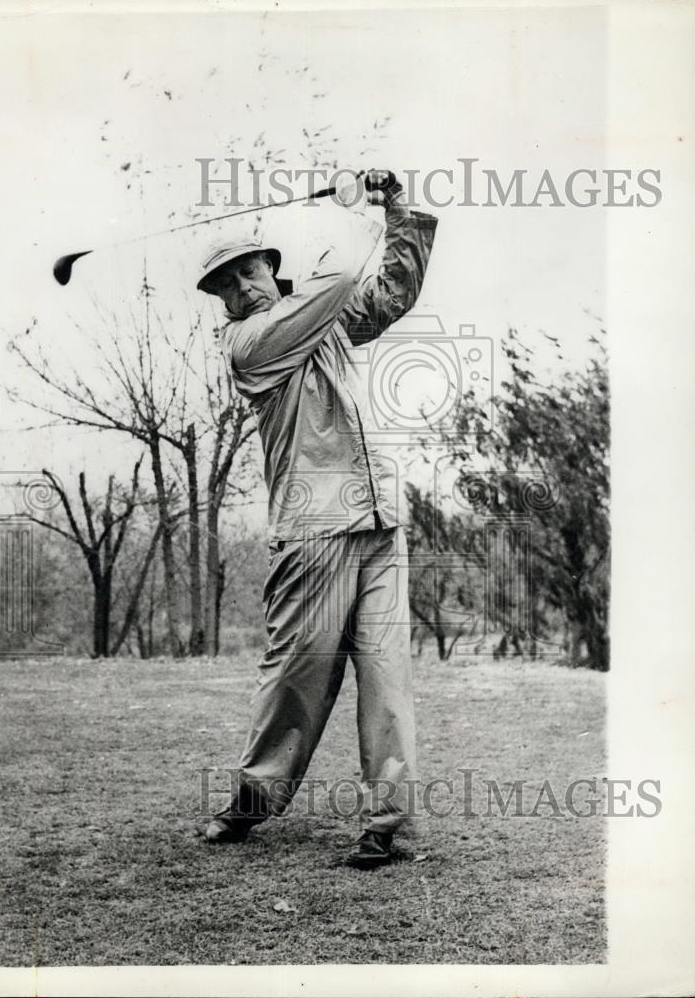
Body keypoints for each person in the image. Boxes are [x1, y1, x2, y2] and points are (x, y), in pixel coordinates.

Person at [196, 168, 438, 868]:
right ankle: (250, 800)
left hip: (378, 522)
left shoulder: (320, 323)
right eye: (228, 284)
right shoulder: (250, 344)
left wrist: (396, 205)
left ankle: (384, 825)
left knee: (388, 681)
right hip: (313, 534)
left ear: (271, 269)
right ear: (221, 303)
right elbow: (334, 283)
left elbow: (389, 290)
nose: (244, 288)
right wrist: (351, 207)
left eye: (250, 272)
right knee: (296, 678)